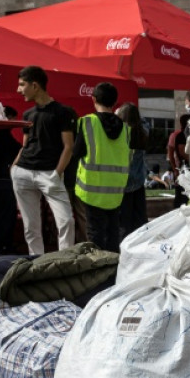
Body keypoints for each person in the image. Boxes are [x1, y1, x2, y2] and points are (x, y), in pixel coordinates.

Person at [11, 66, 77, 255]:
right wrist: (14, 168)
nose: (19, 89)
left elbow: (68, 146)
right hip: (23, 172)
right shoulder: (27, 115)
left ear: (35, 85)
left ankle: (64, 262)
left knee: (66, 221)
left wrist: (57, 173)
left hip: (50, 174)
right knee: (30, 226)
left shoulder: (62, 112)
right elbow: (25, 145)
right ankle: (37, 263)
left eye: (22, 85)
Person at [72, 82, 130, 252]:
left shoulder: (87, 122)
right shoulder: (126, 128)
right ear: (115, 102)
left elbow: (77, 152)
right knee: (113, 231)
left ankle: (98, 269)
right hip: (115, 189)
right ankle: (113, 266)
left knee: (95, 232)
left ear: (93, 99)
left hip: (91, 189)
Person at [0, 106, 22, 255]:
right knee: (6, 215)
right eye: (13, 118)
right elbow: (20, 149)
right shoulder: (4, 137)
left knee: (0, 215)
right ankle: (4, 246)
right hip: (4, 180)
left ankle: (1, 245)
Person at [117, 102, 149, 239]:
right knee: (139, 220)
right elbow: (145, 122)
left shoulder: (120, 135)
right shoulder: (143, 132)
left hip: (123, 183)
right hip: (139, 181)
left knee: (124, 223)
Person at [167, 114, 190, 207]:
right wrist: (175, 169)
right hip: (182, 169)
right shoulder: (178, 136)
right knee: (182, 195)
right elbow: (171, 154)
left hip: (182, 169)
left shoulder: (182, 135)